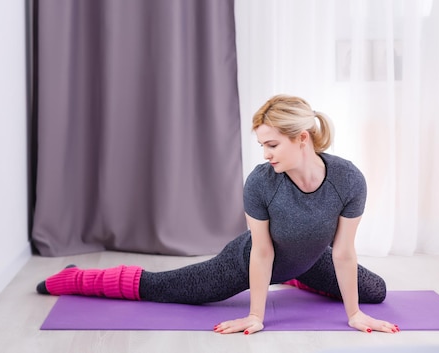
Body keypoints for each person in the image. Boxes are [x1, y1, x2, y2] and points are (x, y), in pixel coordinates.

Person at [35, 94, 400, 335]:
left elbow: (344, 252)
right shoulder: (262, 183)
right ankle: (75, 278)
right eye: (262, 145)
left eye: (272, 145)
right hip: (247, 260)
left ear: (302, 138)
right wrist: (256, 316)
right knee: (165, 289)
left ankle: (295, 276)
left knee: (375, 292)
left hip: (311, 258)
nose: (266, 154)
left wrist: (355, 316)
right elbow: (262, 252)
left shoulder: (347, 178)